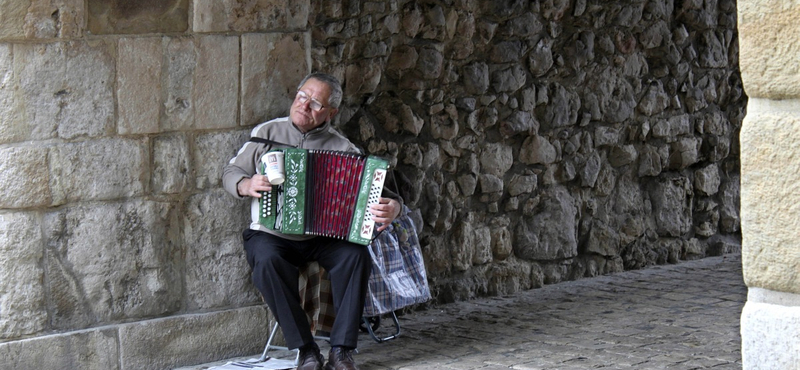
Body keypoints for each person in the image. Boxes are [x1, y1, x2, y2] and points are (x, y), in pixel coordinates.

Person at [222, 73, 402, 370]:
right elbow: (231, 172)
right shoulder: (266, 133)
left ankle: (341, 351)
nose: (304, 106)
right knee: (265, 262)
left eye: (316, 102)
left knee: (355, 256)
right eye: (302, 96)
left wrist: (393, 207)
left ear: (331, 113)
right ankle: (306, 350)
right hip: (272, 233)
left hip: (323, 237)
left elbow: (383, 193)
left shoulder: (344, 149)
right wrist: (245, 184)